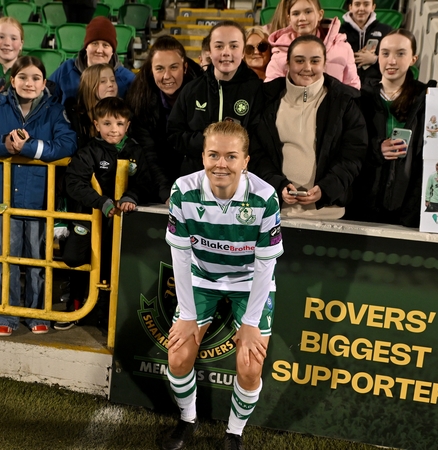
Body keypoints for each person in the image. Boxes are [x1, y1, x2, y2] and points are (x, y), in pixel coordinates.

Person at [162, 121, 283, 450]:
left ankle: (234, 433)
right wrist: (187, 313)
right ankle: (187, 420)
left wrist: (250, 322)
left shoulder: (265, 197)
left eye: (231, 156)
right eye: (213, 154)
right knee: (177, 357)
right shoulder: (183, 191)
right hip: (202, 279)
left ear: (246, 161)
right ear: (203, 156)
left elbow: (266, 264)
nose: (221, 164)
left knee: (249, 366)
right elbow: (181, 256)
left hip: (249, 283)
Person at [0, 56, 78, 337]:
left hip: (39, 202)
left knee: (37, 260)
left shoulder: (55, 110)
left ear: (44, 82)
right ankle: (5, 315)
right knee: (4, 260)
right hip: (5, 200)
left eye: (35, 78)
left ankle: (35, 314)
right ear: (12, 80)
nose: (28, 83)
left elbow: (67, 144)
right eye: (23, 77)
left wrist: (29, 147)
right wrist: (5, 144)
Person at [61, 97, 170, 330]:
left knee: (114, 266)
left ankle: (105, 315)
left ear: (127, 126)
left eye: (120, 124)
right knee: (73, 258)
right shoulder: (88, 151)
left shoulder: (135, 150)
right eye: (108, 123)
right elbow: (74, 183)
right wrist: (101, 202)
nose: (114, 129)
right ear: (96, 124)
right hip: (89, 218)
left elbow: (145, 182)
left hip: (119, 224)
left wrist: (131, 197)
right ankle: (75, 305)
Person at [251, 35, 367, 220]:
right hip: (275, 212)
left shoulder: (344, 101)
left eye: (315, 61)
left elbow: (353, 155)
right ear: (288, 63)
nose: (307, 68)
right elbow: (256, 152)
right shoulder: (266, 98)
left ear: (325, 63)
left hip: (329, 214)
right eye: (299, 60)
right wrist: (277, 185)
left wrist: (326, 188)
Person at [349, 29, 431, 227]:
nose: (391, 61)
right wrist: (377, 149)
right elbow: (350, 145)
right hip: (364, 201)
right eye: (385, 53)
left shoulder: (426, 98)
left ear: (413, 58)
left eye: (400, 53)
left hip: (406, 203)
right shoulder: (360, 96)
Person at [167, 21, 264, 178]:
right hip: (196, 180)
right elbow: (174, 135)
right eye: (219, 46)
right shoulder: (192, 90)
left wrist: (231, 147)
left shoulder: (256, 90)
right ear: (210, 52)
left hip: (240, 183)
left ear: (243, 52)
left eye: (233, 46)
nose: (226, 52)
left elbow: (260, 140)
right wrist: (209, 142)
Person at [126, 36, 203, 184]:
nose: (167, 76)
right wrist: (165, 190)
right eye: (159, 69)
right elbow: (148, 152)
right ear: (151, 70)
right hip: (156, 178)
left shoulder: (204, 92)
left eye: (174, 67)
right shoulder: (139, 99)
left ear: (185, 67)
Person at [265, 0, 359, 88]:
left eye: (308, 12)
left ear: (320, 14)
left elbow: (352, 86)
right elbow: (271, 90)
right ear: (289, 18)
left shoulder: (342, 47)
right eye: (296, 14)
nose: (302, 18)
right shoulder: (280, 52)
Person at [48, 17, 135, 103]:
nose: (99, 50)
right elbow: (46, 101)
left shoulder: (127, 79)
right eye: (94, 44)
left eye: (105, 45)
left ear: (112, 51)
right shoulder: (66, 69)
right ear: (86, 47)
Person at [65, 63, 118, 148]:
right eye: (103, 81)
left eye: (113, 80)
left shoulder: (123, 111)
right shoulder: (76, 116)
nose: (110, 84)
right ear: (90, 85)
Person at [340, 0, 393, 84]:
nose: (361, 8)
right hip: (347, 86)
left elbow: (393, 59)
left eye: (366, 4)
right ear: (350, 7)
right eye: (357, 4)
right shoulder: (339, 31)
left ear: (373, 7)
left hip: (376, 86)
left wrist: (375, 60)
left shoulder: (386, 31)